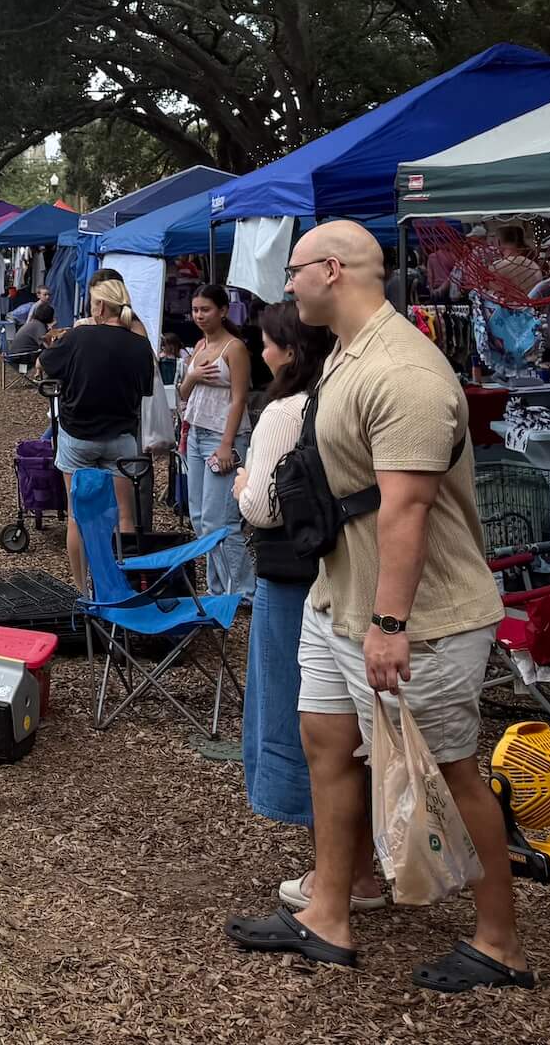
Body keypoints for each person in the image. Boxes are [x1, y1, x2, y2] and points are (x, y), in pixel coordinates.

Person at [227, 221, 531, 994]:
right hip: (337, 602)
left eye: (294, 271)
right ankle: (329, 913)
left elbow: (407, 510)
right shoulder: (345, 357)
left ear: (332, 271)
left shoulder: (405, 371)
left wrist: (390, 626)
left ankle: (500, 943)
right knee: (327, 746)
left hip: (418, 618)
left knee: (448, 774)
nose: (285, 286)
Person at [234, 302, 388, 914]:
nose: (262, 352)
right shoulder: (356, 399)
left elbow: (265, 510)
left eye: (269, 343)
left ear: (291, 352)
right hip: (362, 575)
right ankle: (367, 867)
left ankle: (338, 876)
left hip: (296, 579)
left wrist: (245, 484)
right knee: (360, 727)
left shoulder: (282, 411)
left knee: (309, 726)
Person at [37, 277, 155, 580]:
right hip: (121, 438)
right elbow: (145, 390)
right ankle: (123, 585)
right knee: (124, 516)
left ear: (99, 306)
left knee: (78, 517)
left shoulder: (80, 337)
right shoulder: (140, 345)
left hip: (78, 436)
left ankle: (82, 589)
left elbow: (48, 363)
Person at [179, 283, 254, 596]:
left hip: (223, 435)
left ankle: (243, 590)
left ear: (223, 311)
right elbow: (183, 393)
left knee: (219, 519)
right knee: (198, 517)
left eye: (206, 309)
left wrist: (226, 445)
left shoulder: (234, 348)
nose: (200, 315)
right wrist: (193, 375)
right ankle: (219, 586)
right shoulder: (199, 346)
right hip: (196, 430)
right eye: (196, 309)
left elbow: (239, 399)